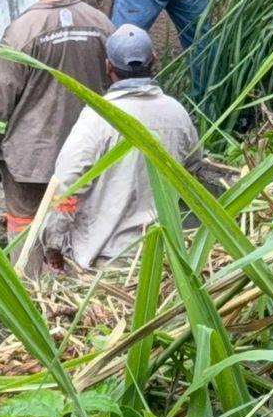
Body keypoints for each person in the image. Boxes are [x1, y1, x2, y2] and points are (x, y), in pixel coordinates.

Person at [0, 0, 115, 243]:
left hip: (31, 162)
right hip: (89, 159)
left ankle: (29, 275)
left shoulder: (21, 32)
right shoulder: (101, 24)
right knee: (81, 238)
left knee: (27, 242)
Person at [43, 25, 204, 271]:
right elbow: (192, 167)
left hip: (107, 259)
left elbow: (67, 182)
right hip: (164, 254)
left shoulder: (98, 118)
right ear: (154, 60)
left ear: (108, 66)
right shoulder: (176, 113)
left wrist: (53, 244)